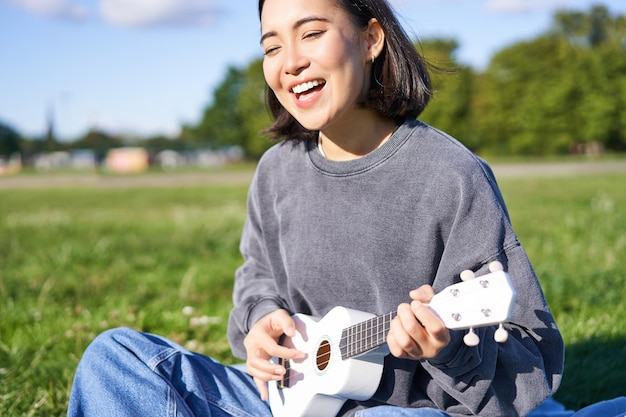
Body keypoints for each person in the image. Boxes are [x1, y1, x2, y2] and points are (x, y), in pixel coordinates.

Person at [67, 0, 565, 416]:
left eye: (311, 34)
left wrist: (451, 351)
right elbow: (257, 277)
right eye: (272, 45)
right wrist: (260, 319)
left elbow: (531, 358)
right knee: (113, 358)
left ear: (371, 39)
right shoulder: (276, 171)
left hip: (404, 410)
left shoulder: (451, 174)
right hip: (283, 402)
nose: (290, 62)